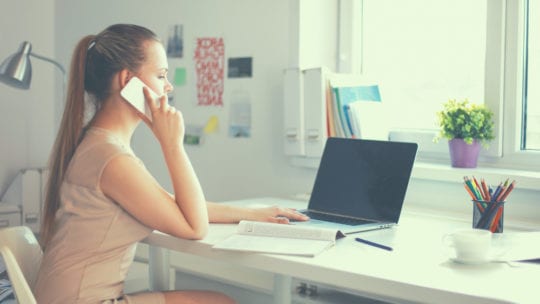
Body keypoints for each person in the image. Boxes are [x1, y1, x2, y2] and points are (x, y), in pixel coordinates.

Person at [34, 24, 308, 304]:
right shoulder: (111, 158)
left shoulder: (99, 145)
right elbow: (193, 227)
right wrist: (172, 145)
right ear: (128, 81)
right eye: (161, 75)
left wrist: (250, 213)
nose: (168, 86)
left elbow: (175, 207)